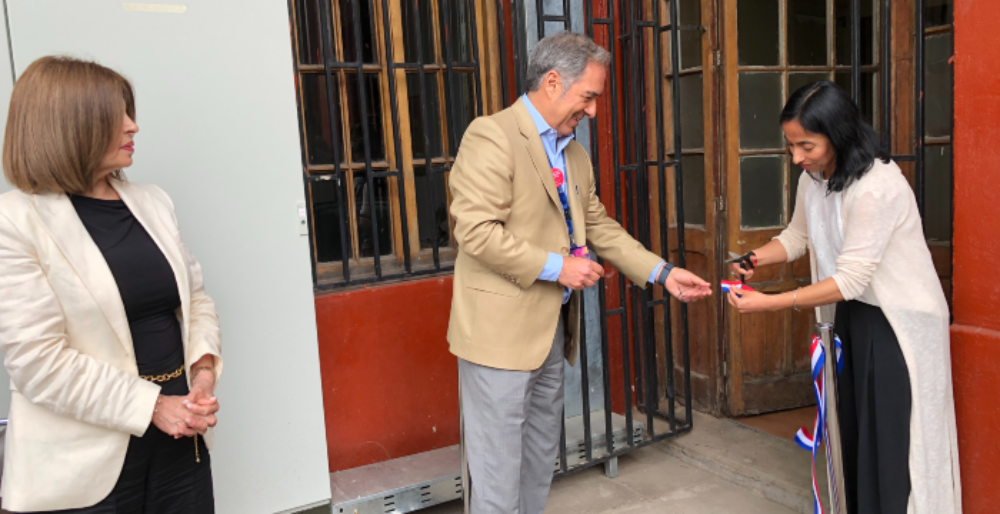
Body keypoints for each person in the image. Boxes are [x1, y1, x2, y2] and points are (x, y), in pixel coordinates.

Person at [447, 31, 712, 514]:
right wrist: (558, 267)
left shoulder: (572, 151)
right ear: (552, 82)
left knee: (535, 464)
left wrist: (662, 272)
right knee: (496, 475)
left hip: (550, 332)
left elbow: (598, 225)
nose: (593, 111)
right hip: (498, 336)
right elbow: (475, 231)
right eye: (588, 97)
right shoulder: (492, 135)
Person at [0, 56, 222, 513]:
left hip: (181, 441)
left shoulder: (153, 202)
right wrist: (153, 406)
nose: (133, 126)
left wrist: (202, 374)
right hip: (82, 465)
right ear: (70, 126)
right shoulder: (15, 221)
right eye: (116, 115)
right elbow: (36, 360)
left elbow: (195, 300)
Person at [727, 81, 960, 514]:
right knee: (851, 431)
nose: (796, 157)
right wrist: (756, 258)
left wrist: (769, 303)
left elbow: (851, 278)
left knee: (891, 442)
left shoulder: (876, 186)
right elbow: (797, 237)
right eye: (791, 145)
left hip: (898, 324)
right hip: (852, 314)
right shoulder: (814, 179)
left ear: (839, 134)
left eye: (806, 145)